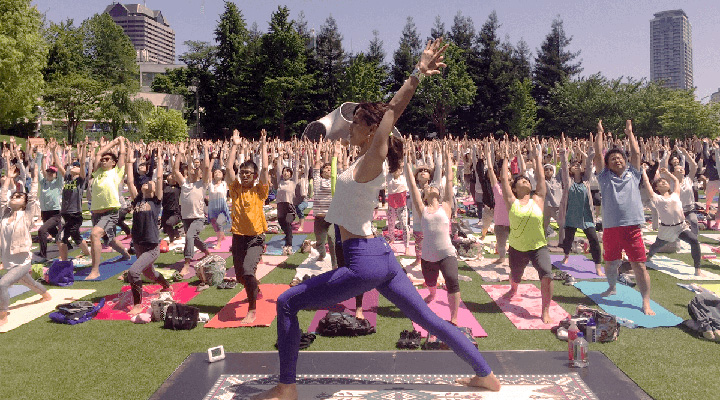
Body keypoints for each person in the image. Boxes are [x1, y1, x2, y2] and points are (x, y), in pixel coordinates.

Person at [253, 38, 500, 400]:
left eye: (355, 123)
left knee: (287, 302)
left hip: (363, 261)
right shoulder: (360, 161)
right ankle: (486, 375)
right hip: (380, 256)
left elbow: (393, 111)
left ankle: (286, 387)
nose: (349, 128)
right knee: (427, 319)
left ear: (372, 131)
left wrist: (417, 73)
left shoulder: (372, 158)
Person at [594, 120, 655, 315]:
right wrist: (600, 133)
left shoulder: (634, 174)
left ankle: (645, 302)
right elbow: (598, 154)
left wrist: (630, 133)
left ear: (625, 161)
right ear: (608, 163)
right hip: (611, 227)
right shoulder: (604, 177)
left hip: (632, 227)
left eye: (619, 157)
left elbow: (636, 154)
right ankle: (612, 287)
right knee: (611, 262)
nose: (616, 160)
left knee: (639, 265)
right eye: (612, 159)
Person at [498, 139, 555, 324]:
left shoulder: (538, 199)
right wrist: (505, 158)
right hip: (517, 248)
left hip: (539, 246)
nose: (525, 181)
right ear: (514, 188)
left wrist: (537, 157)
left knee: (547, 274)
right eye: (520, 180)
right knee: (516, 276)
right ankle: (513, 288)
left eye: (527, 180)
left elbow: (540, 178)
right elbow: (504, 180)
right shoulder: (511, 201)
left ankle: (545, 310)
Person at [405, 142, 462, 325]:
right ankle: (432, 293)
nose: (432, 186)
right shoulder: (422, 209)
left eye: (435, 186)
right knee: (430, 283)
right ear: (424, 195)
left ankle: (454, 318)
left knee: (452, 280)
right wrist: (407, 161)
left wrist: (447, 158)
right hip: (428, 256)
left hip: (447, 253)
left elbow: (450, 180)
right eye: (429, 187)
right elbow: (412, 184)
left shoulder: (446, 206)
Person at [226, 129, 269, 324]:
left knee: (248, 271)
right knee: (240, 278)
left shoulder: (260, 190)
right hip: (238, 237)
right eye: (242, 173)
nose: (244, 176)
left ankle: (252, 309)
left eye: (248, 173)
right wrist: (234, 145)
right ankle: (255, 288)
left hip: (256, 238)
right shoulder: (236, 189)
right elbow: (229, 169)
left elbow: (266, 169)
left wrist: (263, 144)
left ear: (254, 175)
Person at [0, 163, 50, 327]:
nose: (14, 197)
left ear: (24, 203)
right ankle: (46, 294)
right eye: (13, 196)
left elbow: (33, 197)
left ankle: (2, 315)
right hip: (9, 261)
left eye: (19, 197)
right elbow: (2, 198)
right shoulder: (4, 215)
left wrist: (35, 178)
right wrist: (8, 179)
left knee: (2, 284)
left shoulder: (26, 215)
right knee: (29, 283)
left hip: (22, 261)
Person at [124, 141, 171, 315]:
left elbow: (158, 179)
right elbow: (130, 181)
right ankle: (166, 285)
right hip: (138, 244)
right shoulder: (137, 199)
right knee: (150, 275)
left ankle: (137, 304)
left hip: (151, 246)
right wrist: (129, 162)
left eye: (150, 183)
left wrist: (159, 161)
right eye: (145, 182)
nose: (147, 183)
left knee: (133, 272)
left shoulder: (156, 201)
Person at [642, 167, 703, 276]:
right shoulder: (656, 198)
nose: (664, 182)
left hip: (681, 227)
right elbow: (647, 183)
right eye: (661, 182)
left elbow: (676, 181)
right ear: (656, 187)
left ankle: (697, 268)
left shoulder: (675, 194)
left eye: (665, 181)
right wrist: (643, 171)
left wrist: (668, 173)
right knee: (656, 246)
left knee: (694, 241)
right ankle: (649, 256)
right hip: (666, 229)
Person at [557, 137, 603, 276]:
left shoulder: (586, 180)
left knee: (594, 240)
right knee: (568, 239)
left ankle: (598, 266)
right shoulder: (568, 181)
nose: (576, 165)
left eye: (578, 164)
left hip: (586, 216)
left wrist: (591, 146)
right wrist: (563, 150)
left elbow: (589, 162)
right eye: (574, 165)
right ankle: (566, 255)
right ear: (571, 169)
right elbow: (564, 165)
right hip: (571, 215)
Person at [88, 137, 131, 280]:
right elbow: (98, 154)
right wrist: (112, 143)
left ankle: (95, 270)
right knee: (110, 240)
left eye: (107, 159)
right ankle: (125, 254)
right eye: (102, 160)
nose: (103, 161)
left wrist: (121, 143)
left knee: (95, 234)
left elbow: (122, 155)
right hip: (96, 213)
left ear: (113, 162)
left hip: (110, 212)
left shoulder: (116, 172)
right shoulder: (97, 172)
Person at [173, 142, 211, 278]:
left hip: (198, 217)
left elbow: (206, 167)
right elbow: (175, 170)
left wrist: (205, 149)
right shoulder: (184, 183)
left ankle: (186, 264)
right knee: (194, 238)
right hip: (186, 217)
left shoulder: (202, 183)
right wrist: (180, 152)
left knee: (189, 236)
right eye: (192, 169)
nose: (194, 170)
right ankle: (207, 252)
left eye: (196, 170)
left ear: (200, 174)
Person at [57, 140, 90, 262]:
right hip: (65, 213)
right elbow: (59, 165)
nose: (73, 167)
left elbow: (83, 163)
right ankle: (86, 253)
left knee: (63, 237)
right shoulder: (67, 178)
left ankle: (65, 261)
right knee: (75, 236)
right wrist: (53, 151)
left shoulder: (80, 180)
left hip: (75, 214)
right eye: (73, 166)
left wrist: (84, 148)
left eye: (76, 166)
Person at [35, 139, 64, 263]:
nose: (50, 173)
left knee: (42, 231)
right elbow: (37, 170)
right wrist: (39, 155)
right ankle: (67, 244)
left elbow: (60, 168)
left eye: (52, 172)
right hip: (44, 213)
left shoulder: (58, 183)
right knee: (55, 233)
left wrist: (54, 152)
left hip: (55, 213)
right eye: (48, 172)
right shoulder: (43, 183)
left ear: (56, 175)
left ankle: (43, 255)